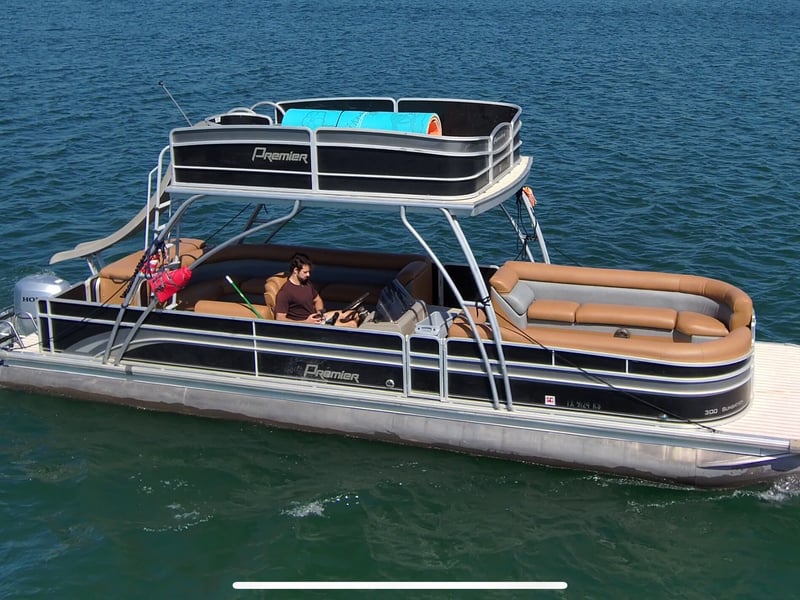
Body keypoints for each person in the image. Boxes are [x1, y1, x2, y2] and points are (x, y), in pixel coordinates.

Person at [274, 253, 359, 327]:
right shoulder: (285, 292)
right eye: (305, 272)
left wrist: (319, 312)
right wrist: (306, 322)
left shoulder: (306, 284)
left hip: (317, 318)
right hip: (306, 324)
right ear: (295, 270)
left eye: (309, 272)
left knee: (354, 314)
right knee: (352, 324)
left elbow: (317, 300)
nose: (308, 275)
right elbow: (280, 318)